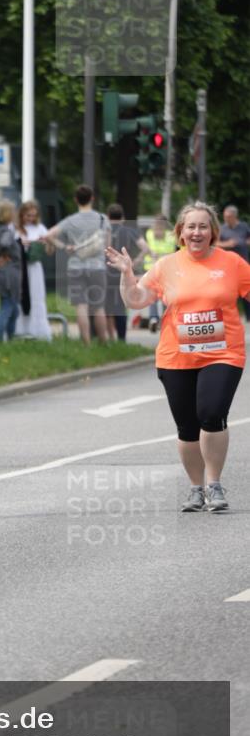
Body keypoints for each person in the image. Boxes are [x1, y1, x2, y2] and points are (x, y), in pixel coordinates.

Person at [106, 201, 250, 514]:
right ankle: (196, 489)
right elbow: (136, 300)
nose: (196, 232)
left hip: (223, 353)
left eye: (202, 227)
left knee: (211, 414)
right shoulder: (167, 265)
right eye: (190, 227)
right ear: (180, 233)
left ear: (212, 231)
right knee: (187, 427)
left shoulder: (232, 263)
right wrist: (127, 273)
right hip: (176, 356)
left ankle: (215, 485)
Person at [43, 184, 109, 344]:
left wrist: (64, 247)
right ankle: (104, 342)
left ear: (75, 200)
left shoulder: (70, 221)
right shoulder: (102, 219)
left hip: (76, 267)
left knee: (81, 305)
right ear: (92, 198)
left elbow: (48, 235)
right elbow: (107, 244)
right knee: (98, 307)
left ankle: (86, 343)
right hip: (97, 267)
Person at [104, 204, 148, 341]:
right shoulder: (129, 231)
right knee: (120, 307)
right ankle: (121, 340)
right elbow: (145, 248)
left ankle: (110, 339)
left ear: (107, 217)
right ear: (122, 217)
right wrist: (134, 262)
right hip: (123, 272)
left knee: (106, 307)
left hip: (106, 271)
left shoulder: (104, 231)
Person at [14, 200, 53, 341]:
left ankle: (37, 330)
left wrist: (44, 243)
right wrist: (20, 243)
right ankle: (21, 330)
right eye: (28, 215)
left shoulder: (40, 228)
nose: (31, 218)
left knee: (37, 297)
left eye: (33, 216)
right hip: (21, 268)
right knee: (22, 297)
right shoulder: (15, 229)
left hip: (35, 267)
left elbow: (50, 250)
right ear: (22, 214)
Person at [0, 199, 21, 343]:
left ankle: (9, 340)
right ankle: (0, 341)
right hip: (8, 275)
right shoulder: (7, 231)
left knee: (13, 310)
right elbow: (5, 243)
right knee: (7, 308)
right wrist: (4, 255)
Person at [143, 215, 177, 331]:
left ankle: (153, 318)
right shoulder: (171, 235)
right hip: (166, 269)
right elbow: (172, 251)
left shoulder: (149, 233)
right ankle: (165, 319)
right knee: (165, 295)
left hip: (151, 268)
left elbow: (149, 249)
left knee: (153, 295)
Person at [219, 205, 250, 321]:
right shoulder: (222, 229)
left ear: (234, 216)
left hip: (244, 263)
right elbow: (214, 243)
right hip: (227, 266)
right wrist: (227, 244)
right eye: (225, 217)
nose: (226, 219)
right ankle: (230, 317)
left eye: (229, 217)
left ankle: (249, 317)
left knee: (246, 290)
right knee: (229, 292)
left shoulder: (243, 226)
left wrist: (246, 242)